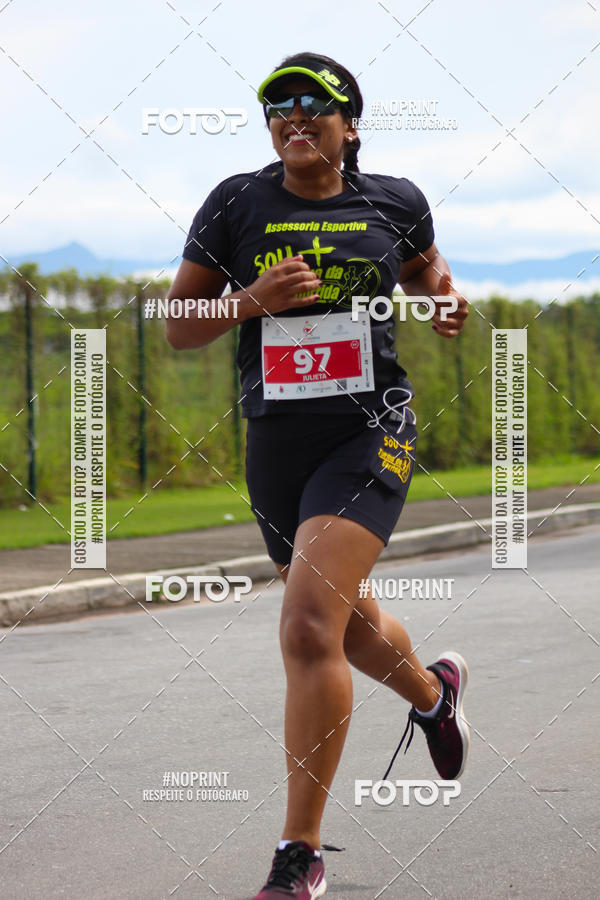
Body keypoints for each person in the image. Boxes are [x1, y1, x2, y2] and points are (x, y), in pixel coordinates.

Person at [166, 51, 470, 900]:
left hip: (370, 430)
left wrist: (443, 297)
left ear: (350, 121)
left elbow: (423, 272)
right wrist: (247, 301)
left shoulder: (395, 200)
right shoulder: (237, 201)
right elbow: (178, 327)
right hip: (277, 440)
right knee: (340, 618)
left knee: (307, 625)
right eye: (276, 106)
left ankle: (299, 855)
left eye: (312, 103)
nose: (292, 115)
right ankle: (434, 693)